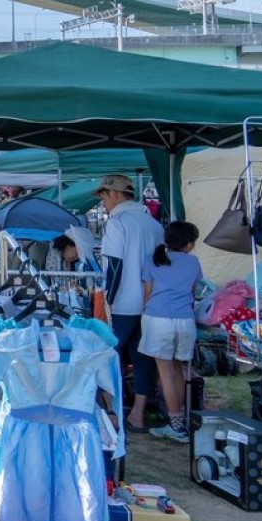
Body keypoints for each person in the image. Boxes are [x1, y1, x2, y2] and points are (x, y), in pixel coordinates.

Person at [95, 174, 165, 433]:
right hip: (149, 302)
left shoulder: (118, 223)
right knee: (142, 358)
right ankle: (137, 414)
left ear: (113, 194)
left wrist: (107, 302)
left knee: (105, 356)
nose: (104, 204)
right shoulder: (153, 224)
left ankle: (112, 411)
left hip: (122, 303)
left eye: (103, 197)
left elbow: (114, 265)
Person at [140, 222, 203, 443]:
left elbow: (147, 294)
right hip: (185, 321)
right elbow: (193, 292)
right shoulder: (193, 262)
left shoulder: (152, 260)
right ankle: (180, 421)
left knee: (165, 374)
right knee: (178, 371)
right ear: (187, 244)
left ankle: (175, 425)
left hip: (158, 319)